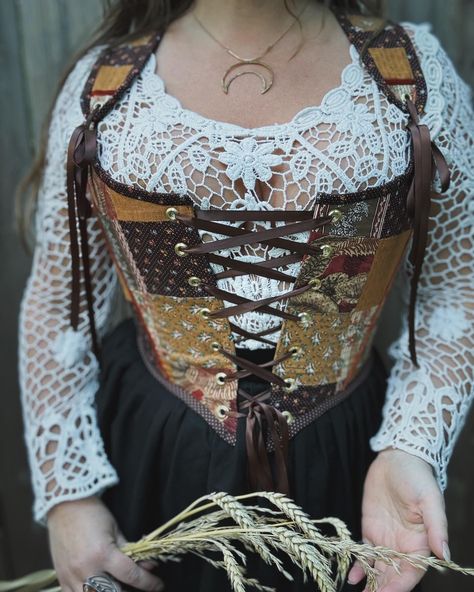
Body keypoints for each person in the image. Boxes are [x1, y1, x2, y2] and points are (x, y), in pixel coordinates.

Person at [17, 0, 473, 591]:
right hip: (157, 456)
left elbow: (453, 291)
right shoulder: (106, 90)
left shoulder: (410, 74)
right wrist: (69, 494)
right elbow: (59, 307)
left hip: (351, 463)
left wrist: (412, 445)